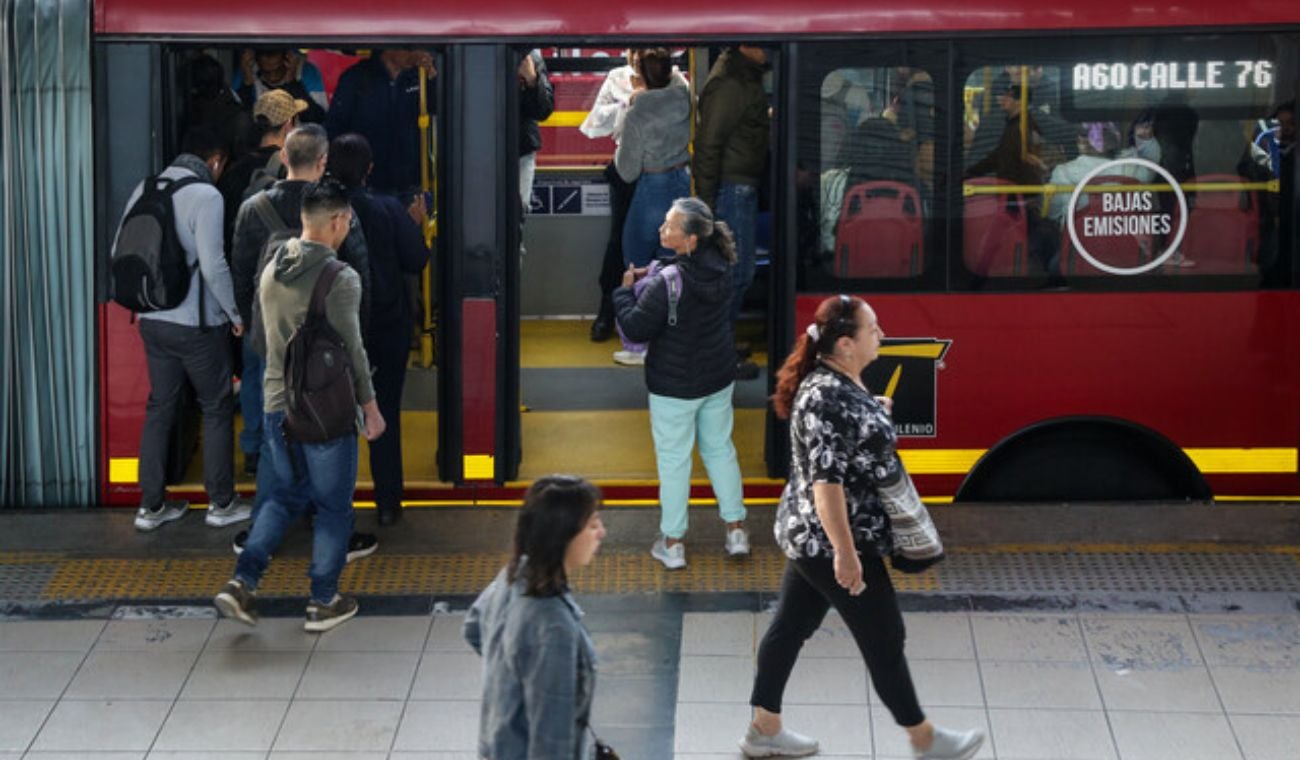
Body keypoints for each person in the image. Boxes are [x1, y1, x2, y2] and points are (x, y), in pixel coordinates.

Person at [741, 294, 985, 760]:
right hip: (833, 539)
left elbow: (845, 440)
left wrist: (873, 410)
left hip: (814, 536)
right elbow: (826, 483)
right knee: (884, 637)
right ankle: (924, 738)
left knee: (791, 626)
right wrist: (846, 554)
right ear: (846, 344)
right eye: (873, 329)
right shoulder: (825, 397)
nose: (882, 335)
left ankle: (763, 729)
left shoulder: (839, 384)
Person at [213, 177, 386, 633]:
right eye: (347, 220)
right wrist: (370, 407)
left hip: (277, 405)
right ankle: (323, 600)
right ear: (336, 221)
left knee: (284, 495)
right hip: (325, 411)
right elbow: (353, 350)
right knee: (332, 507)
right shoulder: (340, 278)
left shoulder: (272, 268)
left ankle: (243, 580)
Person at [228, 123, 374, 556]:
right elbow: (360, 273)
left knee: (277, 436)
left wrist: (256, 329)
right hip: (327, 349)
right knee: (329, 434)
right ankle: (333, 532)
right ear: (323, 162)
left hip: (272, 343)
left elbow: (241, 275)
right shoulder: (338, 210)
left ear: (284, 157)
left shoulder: (253, 209)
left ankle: (262, 533)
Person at [112, 127, 252, 532]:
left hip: (151, 320)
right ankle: (221, 503)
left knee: (160, 406)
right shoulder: (206, 196)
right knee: (216, 407)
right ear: (215, 161)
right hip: (196, 327)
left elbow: (119, 251)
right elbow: (213, 265)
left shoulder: (145, 189)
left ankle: (151, 507)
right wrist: (235, 314)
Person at [613, 198, 749, 569]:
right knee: (720, 450)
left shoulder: (667, 284)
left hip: (674, 386)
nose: (662, 229)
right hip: (717, 377)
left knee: (674, 461)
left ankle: (672, 543)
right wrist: (658, 270)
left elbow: (636, 327)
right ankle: (736, 530)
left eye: (670, 226)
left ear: (690, 239)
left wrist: (623, 291)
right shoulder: (723, 267)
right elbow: (689, 276)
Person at [328, 133, 432, 527]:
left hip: (333, 330)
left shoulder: (320, 211)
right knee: (383, 411)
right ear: (369, 170)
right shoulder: (387, 208)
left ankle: (328, 505)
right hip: (386, 328)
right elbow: (416, 259)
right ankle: (388, 503)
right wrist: (415, 226)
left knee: (331, 415)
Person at [463, 475, 606, 759]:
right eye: (592, 525)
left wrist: (511, 679)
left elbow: (473, 628)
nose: (601, 532)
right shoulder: (553, 626)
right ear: (563, 536)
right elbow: (551, 743)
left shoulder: (513, 575)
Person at [610, 48, 691, 366]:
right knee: (674, 268)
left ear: (639, 76)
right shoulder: (683, 96)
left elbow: (626, 171)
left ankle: (639, 346)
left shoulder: (637, 113)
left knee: (637, 264)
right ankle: (672, 342)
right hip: (682, 183)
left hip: (652, 188)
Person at [694, 45, 770, 380]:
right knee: (734, 276)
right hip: (731, 189)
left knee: (737, 274)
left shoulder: (743, 78)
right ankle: (715, 356)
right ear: (745, 46)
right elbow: (708, 144)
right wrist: (706, 205)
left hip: (739, 186)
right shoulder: (730, 83)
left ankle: (719, 344)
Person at [581, 50, 641, 343]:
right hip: (625, 166)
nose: (636, 58)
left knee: (660, 242)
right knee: (618, 240)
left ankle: (650, 314)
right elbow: (596, 120)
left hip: (660, 168)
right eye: (633, 51)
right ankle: (608, 310)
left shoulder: (672, 79)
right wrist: (626, 104)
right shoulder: (617, 78)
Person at [217, 89, 307, 271]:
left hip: (241, 266)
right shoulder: (292, 172)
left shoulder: (233, 170)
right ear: (289, 124)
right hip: (280, 271)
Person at [326, 49, 437, 196]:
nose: (415, 51)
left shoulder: (420, 76)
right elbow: (335, 127)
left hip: (411, 182)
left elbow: (439, 107)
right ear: (388, 47)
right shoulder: (356, 77)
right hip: (367, 183)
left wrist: (432, 78)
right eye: (408, 46)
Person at [233, 48, 327, 124]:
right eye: (266, 72)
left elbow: (317, 118)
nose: (272, 77)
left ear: (288, 60)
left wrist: (292, 82)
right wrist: (247, 83)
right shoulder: (247, 71)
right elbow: (238, 118)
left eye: (277, 70)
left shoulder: (307, 71)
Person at [517, 49, 555, 212]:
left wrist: (532, 80)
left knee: (518, 213)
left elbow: (543, 110)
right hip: (479, 151)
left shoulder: (531, 58)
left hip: (521, 150)